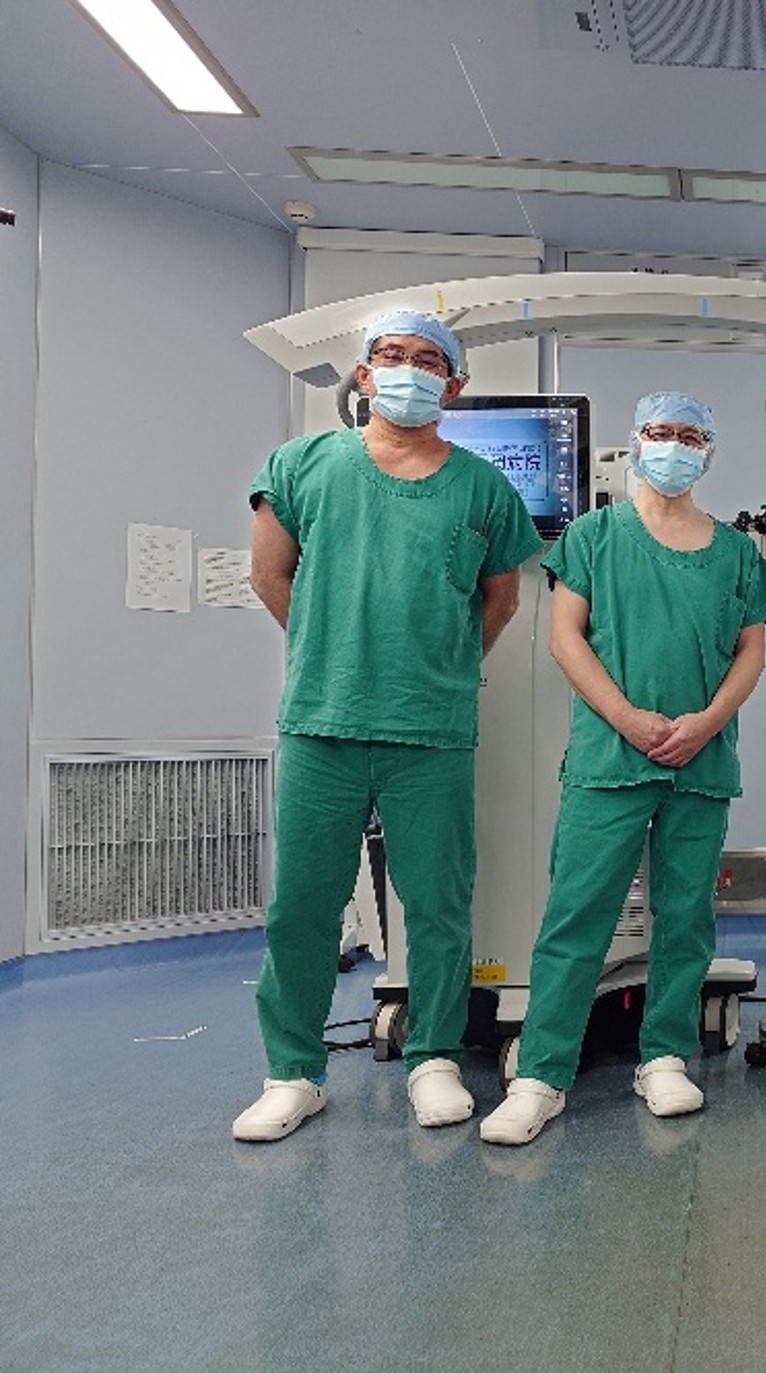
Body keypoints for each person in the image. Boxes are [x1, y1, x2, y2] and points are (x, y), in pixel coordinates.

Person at [234, 310, 543, 1142]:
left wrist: (438, 669)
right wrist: (333, 654)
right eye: (392, 355)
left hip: (431, 729)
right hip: (323, 722)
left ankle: (434, 1056)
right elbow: (269, 575)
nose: (409, 368)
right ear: (364, 375)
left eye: (429, 360)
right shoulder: (302, 465)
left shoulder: (482, 488)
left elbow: (500, 600)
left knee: (437, 904)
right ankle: (293, 1072)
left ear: (454, 386)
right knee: (302, 906)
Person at [480, 392, 766, 1146]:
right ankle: (541, 1074)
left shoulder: (735, 552)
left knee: (685, 918)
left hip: (699, 758)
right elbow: (566, 639)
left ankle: (664, 1056)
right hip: (610, 755)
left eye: (690, 435)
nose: (673, 446)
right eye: (660, 432)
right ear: (636, 440)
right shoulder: (593, 536)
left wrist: (706, 722)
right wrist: (625, 717)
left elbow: (751, 650)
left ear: (708, 452)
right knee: (578, 913)